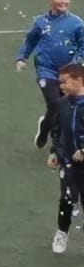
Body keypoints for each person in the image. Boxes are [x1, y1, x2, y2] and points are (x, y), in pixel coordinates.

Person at [15, 0, 84, 153]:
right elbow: (30, 40)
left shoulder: (77, 23)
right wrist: (22, 58)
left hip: (68, 74)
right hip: (47, 71)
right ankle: (56, 145)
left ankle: (46, 127)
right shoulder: (41, 22)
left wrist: (75, 65)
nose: (63, 1)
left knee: (64, 107)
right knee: (56, 103)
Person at [47, 63, 84, 256]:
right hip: (68, 162)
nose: (61, 86)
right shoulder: (62, 104)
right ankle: (62, 232)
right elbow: (57, 129)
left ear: (78, 80)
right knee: (67, 198)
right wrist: (54, 152)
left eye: (65, 82)